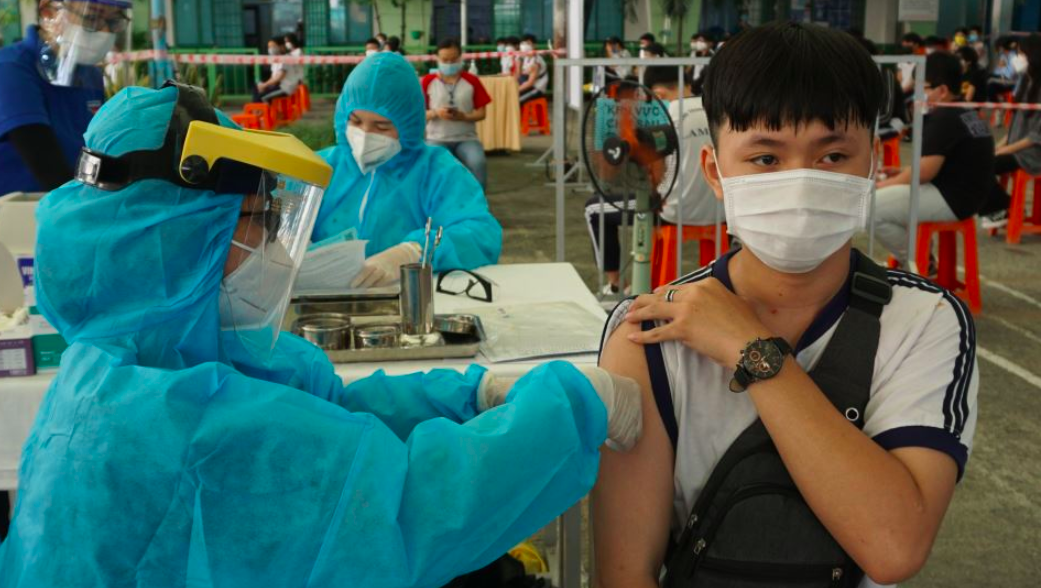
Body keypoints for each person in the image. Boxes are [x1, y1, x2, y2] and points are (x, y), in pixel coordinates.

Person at [0, 81, 644, 587]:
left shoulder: (130, 362)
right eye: (256, 221)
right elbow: (411, 506)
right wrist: (574, 404)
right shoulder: (187, 424)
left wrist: (472, 395)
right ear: (177, 235)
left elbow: (322, 408)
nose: (270, 246)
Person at [594, 22, 977, 588]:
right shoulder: (649, 333)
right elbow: (626, 573)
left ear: (871, 164)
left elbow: (895, 545)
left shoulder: (925, 320)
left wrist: (751, 350)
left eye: (833, 155)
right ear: (715, 172)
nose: (800, 184)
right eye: (766, 159)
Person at [312, 53, 501, 288]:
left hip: (407, 296)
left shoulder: (437, 171)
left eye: (382, 126)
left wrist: (415, 251)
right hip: (323, 297)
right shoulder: (321, 167)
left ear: (408, 124)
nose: (366, 134)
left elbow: (481, 234)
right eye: (356, 121)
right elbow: (282, 219)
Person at [585, 66, 718, 295]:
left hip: (672, 210)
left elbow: (655, 172)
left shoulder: (669, 114)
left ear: (658, 93)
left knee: (593, 209)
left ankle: (616, 284)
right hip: (719, 211)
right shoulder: (715, 110)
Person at [875, 51, 994, 269]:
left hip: (952, 199)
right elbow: (943, 164)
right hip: (967, 197)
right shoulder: (965, 112)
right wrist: (902, 172)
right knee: (888, 198)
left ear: (942, 90)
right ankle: (920, 256)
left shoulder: (944, 118)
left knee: (872, 208)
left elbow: (924, 172)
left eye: (924, 88)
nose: (919, 94)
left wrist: (885, 184)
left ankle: (918, 262)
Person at [0, 0, 130, 195]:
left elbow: (92, 155)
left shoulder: (89, 75)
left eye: (113, 21)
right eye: (91, 18)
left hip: (66, 199)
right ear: (49, 12)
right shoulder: (11, 68)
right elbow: (47, 167)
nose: (104, 31)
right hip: (21, 205)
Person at [980, 34, 1041, 229]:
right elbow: (1016, 126)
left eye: (1021, 53)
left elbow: (1035, 136)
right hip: (1018, 148)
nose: (1017, 58)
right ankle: (1005, 207)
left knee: (981, 165)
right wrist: (998, 147)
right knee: (975, 159)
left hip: (1032, 154)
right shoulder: (1026, 80)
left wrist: (1005, 150)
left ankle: (1003, 207)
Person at [422, 37, 491, 189]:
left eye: (453, 59)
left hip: (466, 138)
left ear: (460, 58)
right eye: (445, 60)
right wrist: (436, 113)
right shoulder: (427, 81)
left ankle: (478, 199)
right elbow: (419, 115)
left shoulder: (472, 81)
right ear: (437, 58)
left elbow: (482, 113)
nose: (449, 63)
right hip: (436, 138)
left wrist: (463, 116)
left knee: (478, 162)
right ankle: (440, 200)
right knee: (437, 168)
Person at [253, 37, 298, 103]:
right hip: (276, 86)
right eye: (269, 47)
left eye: (273, 46)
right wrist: (263, 85)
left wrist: (265, 85)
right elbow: (273, 77)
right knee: (256, 87)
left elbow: (279, 78)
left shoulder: (286, 58)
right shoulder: (275, 59)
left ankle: (262, 108)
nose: (270, 49)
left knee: (261, 97)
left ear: (281, 46)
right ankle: (257, 107)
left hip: (285, 88)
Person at [517, 33, 548, 106]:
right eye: (523, 43)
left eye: (528, 43)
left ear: (534, 45)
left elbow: (530, 83)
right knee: (510, 96)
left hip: (537, 89)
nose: (524, 46)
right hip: (527, 87)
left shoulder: (536, 61)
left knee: (515, 100)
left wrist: (515, 90)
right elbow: (519, 75)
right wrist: (519, 60)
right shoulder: (525, 58)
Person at [987, 36, 1020, 102]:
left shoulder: (1014, 57)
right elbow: (997, 71)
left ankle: (996, 104)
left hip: (1010, 81)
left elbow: (1011, 74)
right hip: (1001, 79)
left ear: (1002, 47)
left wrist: (1001, 73)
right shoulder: (1003, 56)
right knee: (987, 78)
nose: (997, 49)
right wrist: (1000, 72)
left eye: (998, 47)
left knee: (990, 83)